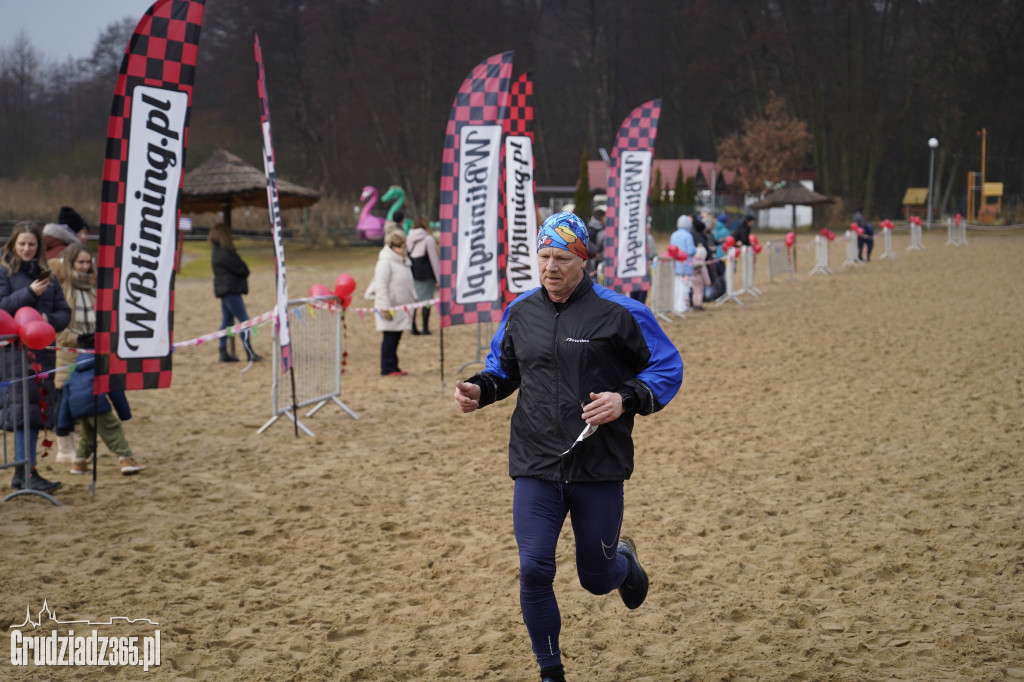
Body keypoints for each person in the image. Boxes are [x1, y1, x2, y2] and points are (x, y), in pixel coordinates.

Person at [452, 212, 683, 682]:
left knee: (594, 578)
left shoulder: (622, 313)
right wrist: (481, 390)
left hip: (598, 464)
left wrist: (624, 399)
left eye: (561, 258)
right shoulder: (521, 311)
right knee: (534, 570)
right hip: (536, 463)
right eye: (543, 257)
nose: (550, 267)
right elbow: (504, 368)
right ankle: (550, 672)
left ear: (582, 260)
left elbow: (667, 368)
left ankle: (624, 565)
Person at [54, 243, 144, 475]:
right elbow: (58, 328)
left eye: (88, 261)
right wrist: (80, 339)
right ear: (71, 263)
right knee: (91, 408)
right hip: (72, 357)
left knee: (89, 411)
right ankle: (124, 456)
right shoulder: (63, 289)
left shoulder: (96, 289)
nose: (85, 266)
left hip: (98, 354)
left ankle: (80, 460)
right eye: (80, 262)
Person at [0, 222, 71, 492]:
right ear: (13, 245)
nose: (27, 249)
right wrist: (29, 293)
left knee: (35, 412)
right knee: (21, 412)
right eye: (22, 244)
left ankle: (24, 473)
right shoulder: (4, 271)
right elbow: (2, 307)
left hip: (42, 353)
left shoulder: (49, 275)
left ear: (39, 246)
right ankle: (25, 472)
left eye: (32, 244)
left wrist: (47, 319)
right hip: (13, 354)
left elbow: (64, 313)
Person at [366, 230, 416, 376]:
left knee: (396, 337)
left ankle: (394, 366)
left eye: (405, 247)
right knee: (390, 337)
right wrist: (384, 308)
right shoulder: (385, 262)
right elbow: (381, 286)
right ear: (393, 247)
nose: (404, 250)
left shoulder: (403, 261)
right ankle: (387, 367)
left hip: (401, 306)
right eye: (401, 247)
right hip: (390, 306)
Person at [209, 222, 260, 363]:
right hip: (230, 290)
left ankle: (223, 351)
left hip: (226, 290)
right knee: (244, 321)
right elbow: (242, 269)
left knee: (227, 321)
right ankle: (249, 351)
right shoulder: (224, 253)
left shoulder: (217, 251)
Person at [405, 215, 438, 335]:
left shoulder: (409, 237)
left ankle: (412, 327)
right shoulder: (428, 239)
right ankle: (425, 327)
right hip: (426, 275)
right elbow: (433, 259)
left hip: (413, 273)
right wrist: (438, 278)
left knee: (415, 301)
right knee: (427, 302)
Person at [670, 215, 697, 313]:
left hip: (675, 266)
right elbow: (691, 250)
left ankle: (675, 305)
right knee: (684, 286)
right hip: (686, 266)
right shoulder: (688, 236)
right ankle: (682, 306)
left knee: (676, 286)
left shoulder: (674, 235)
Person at [628, 217, 658, 304]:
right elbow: (653, 254)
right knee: (641, 294)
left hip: (632, 269)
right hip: (643, 270)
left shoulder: (630, 238)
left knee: (633, 294)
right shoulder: (648, 237)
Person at [585, 205, 606, 280]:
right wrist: (597, 253)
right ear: (602, 218)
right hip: (594, 263)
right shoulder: (599, 229)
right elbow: (588, 243)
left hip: (591, 262)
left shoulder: (589, 227)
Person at [690, 242, 711, 311]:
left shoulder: (692, 261)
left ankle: (694, 304)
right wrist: (707, 282)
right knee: (700, 292)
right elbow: (705, 274)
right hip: (699, 280)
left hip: (692, 279)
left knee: (695, 292)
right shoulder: (702, 264)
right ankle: (698, 305)